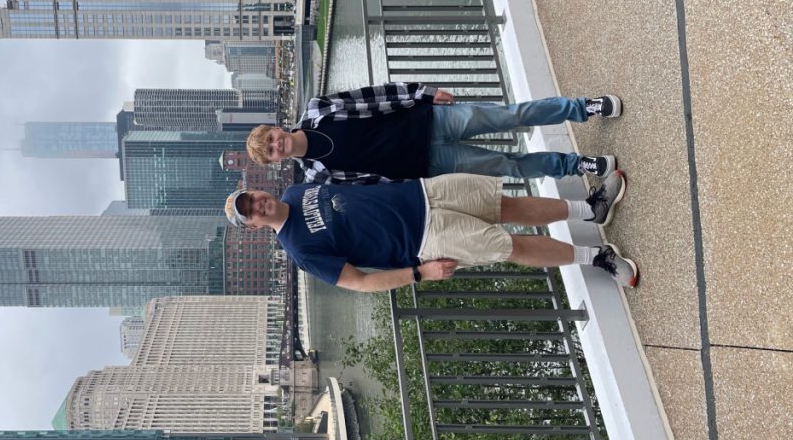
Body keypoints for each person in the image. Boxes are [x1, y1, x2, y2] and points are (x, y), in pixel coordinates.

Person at [223, 170, 638, 291]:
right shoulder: (299, 250)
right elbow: (360, 282)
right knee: (507, 245)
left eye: (252, 197)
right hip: (423, 239)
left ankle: (591, 207)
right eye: (251, 212)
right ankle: (597, 257)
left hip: (421, 191)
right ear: (255, 227)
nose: (258, 204)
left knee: (504, 204)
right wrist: (419, 274)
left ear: (257, 189)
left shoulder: (298, 189)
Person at [246, 82, 622, 182]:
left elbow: (376, 96)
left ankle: (581, 108)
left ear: (277, 128)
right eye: (273, 151)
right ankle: (577, 165)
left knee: (511, 115)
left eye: (272, 138)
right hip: (431, 162)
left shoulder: (318, 110)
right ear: (278, 161)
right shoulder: (318, 176)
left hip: (429, 121)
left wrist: (422, 93)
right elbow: (376, 186)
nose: (277, 144)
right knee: (509, 167)